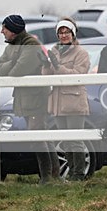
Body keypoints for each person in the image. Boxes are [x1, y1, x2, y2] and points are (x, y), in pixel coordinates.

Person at [0, 14, 56, 184]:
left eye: (4, 28)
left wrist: (11, 63)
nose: (2, 32)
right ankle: (52, 175)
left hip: (35, 97)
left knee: (37, 137)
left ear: (13, 30)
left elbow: (17, 71)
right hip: (25, 97)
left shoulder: (31, 44)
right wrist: (12, 62)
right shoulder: (14, 45)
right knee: (40, 135)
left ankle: (47, 176)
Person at [42, 18, 91, 181]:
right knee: (66, 140)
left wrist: (58, 67)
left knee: (75, 140)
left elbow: (78, 75)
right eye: (60, 32)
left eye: (67, 32)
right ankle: (71, 172)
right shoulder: (54, 51)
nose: (63, 35)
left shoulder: (81, 53)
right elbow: (47, 77)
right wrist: (46, 65)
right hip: (57, 102)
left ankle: (79, 173)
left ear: (73, 33)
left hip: (74, 102)